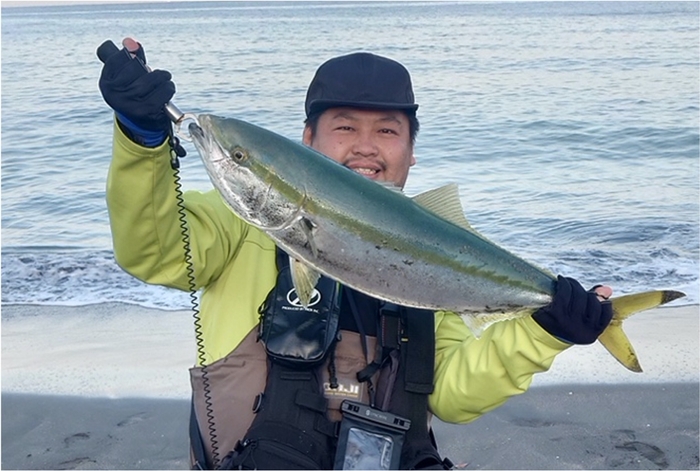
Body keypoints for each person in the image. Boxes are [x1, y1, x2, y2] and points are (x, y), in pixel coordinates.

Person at [99, 37, 613, 470]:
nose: (365, 146)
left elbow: (454, 395)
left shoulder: (445, 251)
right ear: (307, 141)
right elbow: (155, 251)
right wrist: (142, 141)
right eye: (345, 127)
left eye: (387, 130)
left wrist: (542, 332)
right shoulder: (238, 222)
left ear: (411, 150)